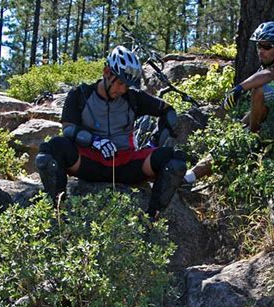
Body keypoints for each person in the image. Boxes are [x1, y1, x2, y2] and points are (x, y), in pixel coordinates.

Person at [35, 45, 187, 220]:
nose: (122, 89)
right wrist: (94, 141)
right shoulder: (80, 95)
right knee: (50, 151)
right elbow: (68, 129)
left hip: (125, 165)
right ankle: (58, 213)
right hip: (89, 161)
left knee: (175, 161)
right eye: (120, 82)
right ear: (107, 72)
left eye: (127, 85)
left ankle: (152, 218)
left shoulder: (133, 97)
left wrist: (158, 140)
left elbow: (168, 112)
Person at [185, 21, 274, 185]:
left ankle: (252, 135)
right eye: (259, 46)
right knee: (232, 138)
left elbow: (267, 76)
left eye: (266, 46)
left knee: (259, 89)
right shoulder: (265, 70)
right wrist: (231, 124)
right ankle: (189, 177)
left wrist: (237, 89)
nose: (261, 51)